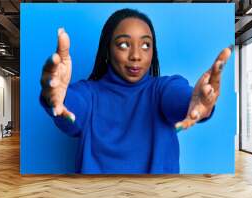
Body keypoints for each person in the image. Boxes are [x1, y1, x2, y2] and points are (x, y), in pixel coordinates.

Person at [40, 8, 232, 174]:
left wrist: (197, 102)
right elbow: (71, 111)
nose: (136, 56)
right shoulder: (89, 94)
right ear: (108, 49)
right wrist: (56, 99)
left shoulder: (163, 89)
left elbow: (180, 97)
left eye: (145, 45)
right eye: (124, 44)